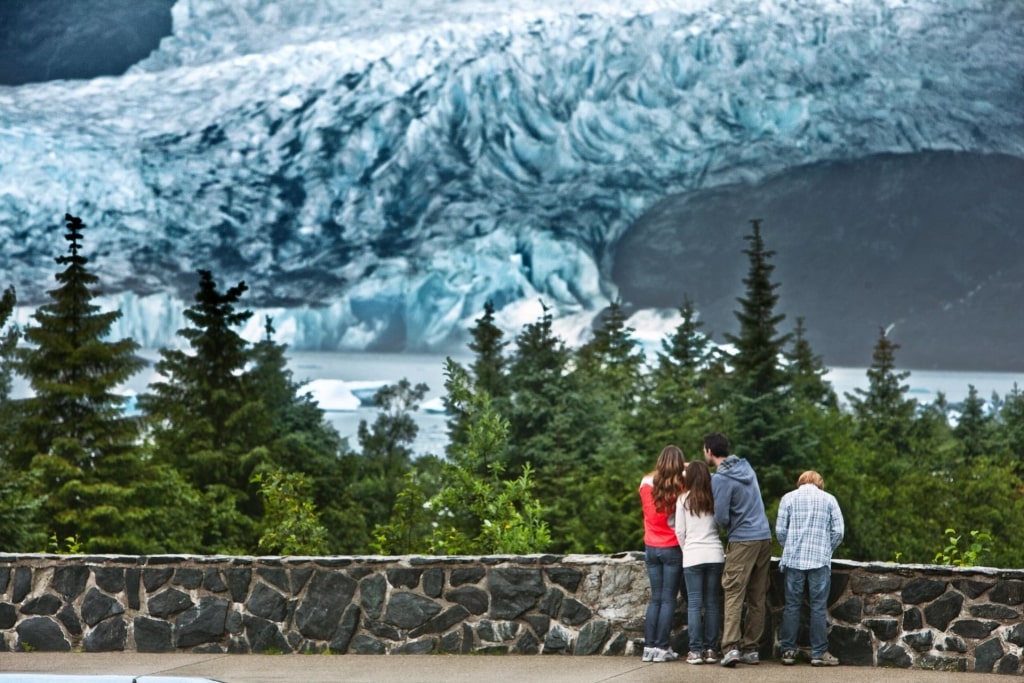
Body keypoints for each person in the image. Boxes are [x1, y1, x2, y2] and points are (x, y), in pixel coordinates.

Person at [703, 431, 772, 667]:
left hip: (743, 540)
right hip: (764, 537)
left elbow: (721, 516)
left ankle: (731, 647)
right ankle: (752, 649)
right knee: (757, 596)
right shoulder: (747, 469)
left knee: (733, 591)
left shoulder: (720, 479)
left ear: (709, 451)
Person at [776, 470, 845, 667]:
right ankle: (818, 653)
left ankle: (788, 651)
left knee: (792, 606)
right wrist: (827, 548)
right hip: (819, 560)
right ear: (819, 483)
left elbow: (781, 531)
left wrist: (789, 545)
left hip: (793, 560)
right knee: (818, 607)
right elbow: (839, 531)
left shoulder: (788, 498)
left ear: (800, 482)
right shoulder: (829, 499)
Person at [674, 459, 725, 665]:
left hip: (693, 555)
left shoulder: (683, 500)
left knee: (694, 604)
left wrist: (687, 550)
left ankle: (695, 651)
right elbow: (721, 525)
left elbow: (679, 531)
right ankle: (711, 650)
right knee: (712, 603)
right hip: (714, 554)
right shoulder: (715, 499)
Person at [639, 444, 687, 663]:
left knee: (655, 599)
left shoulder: (646, 484)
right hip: (672, 547)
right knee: (668, 599)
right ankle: (662, 648)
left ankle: (649, 647)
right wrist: (683, 466)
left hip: (651, 547)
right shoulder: (681, 486)